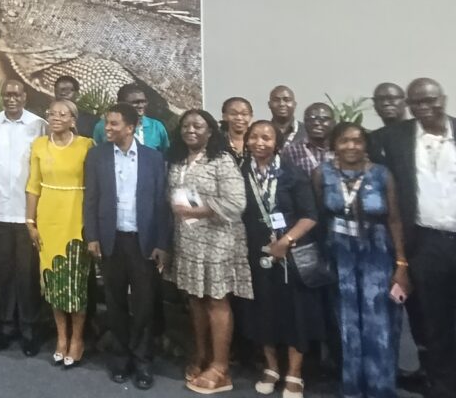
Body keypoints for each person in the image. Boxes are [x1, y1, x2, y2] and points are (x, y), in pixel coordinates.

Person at [314, 122, 409, 398]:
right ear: (334, 145)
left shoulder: (381, 174)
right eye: (344, 141)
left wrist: (401, 264)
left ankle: (380, 388)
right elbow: (319, 217)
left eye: (357, 140)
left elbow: (394, 219)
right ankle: (352, 387)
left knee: (378, 320)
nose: (351, 146)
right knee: (346, 321)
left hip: (377, 253)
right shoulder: (322, 174)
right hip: (339, 254)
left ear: (366, 144)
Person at [376, 78, 455, 398]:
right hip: (425, 242)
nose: (424, 107)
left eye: (430, 100)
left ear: (443, 99)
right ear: (408, 105)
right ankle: (442, 385)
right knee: (432, 318)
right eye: (417, 102)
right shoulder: (394, 138)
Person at [84, 103, 171, 390]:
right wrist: (92, 236)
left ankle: (143, 361)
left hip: (143, 242)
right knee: (115, 302)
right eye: (106, 123)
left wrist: (162, 242)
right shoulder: (96, 155)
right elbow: (91, 199)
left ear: (130, 127)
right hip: (111, 240)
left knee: (144, 304)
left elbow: (162, 204)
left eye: (114, 124)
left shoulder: (153, 158)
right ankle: (120, 358)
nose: (107, 128)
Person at [166, 109, 252, 394]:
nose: (190, 130)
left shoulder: (221, 160)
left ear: (211, 131)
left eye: (198, 126)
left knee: (216, 301)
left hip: (218, 242)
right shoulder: (178, 161)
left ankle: (220, 367)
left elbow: (237, 203)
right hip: (188, 242)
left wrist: (198, 211)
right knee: (195, 300)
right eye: (186, 125)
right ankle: (202, 355)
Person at [241, 120, 324, 397]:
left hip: (290, 254)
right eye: (254, 137)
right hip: (257, 254)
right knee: (263, 311)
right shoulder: (242, 172)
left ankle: (294, 373)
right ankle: (272, 368)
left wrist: (285, 242)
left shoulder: (292, 173)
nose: (259, 142)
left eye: (266, 137)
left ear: (276, 142)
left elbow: (310, 216)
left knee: (294, 313)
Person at [25, 98, 93, 368]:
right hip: (48, 222)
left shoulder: (86, 145)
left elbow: (95, 187)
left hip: (76, 223)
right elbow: (33, 186)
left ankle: (77, 339)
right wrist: (30, 222)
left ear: (73, 120)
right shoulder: (39, 145)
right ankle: (61, 337)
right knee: (52, 283)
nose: (56, 117)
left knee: (75, 286)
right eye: (52, 113)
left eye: (62, 114)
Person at [0, 78, 47, 355]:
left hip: (28, 215)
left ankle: (29, 328)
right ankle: (6, 326)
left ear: (25, 97)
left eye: (16, 95)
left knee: (27, 274)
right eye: (7, 94)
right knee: (3, 273)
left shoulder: (39, 125)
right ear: (2, 97)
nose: (11, 99)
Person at [93, 84, 171, 154]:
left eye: (143, 102)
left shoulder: (156, 127)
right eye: (136, 102)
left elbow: (164, 156)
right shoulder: (103, 126)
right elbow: (97, 154)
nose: (141, 106)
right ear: (121, 103)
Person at [282, 102, 335, 177]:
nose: (316, 123)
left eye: (323, 119)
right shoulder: (291, 151)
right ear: (305, 122)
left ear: (333, 123)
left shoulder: (340, 150)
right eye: (311, 119)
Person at [221, 97, 253, 165]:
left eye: (244, 114)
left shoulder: (256, 141)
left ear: (251, 116)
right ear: (224, 116)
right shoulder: (216, 141)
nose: (239, 118)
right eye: (233, 114)